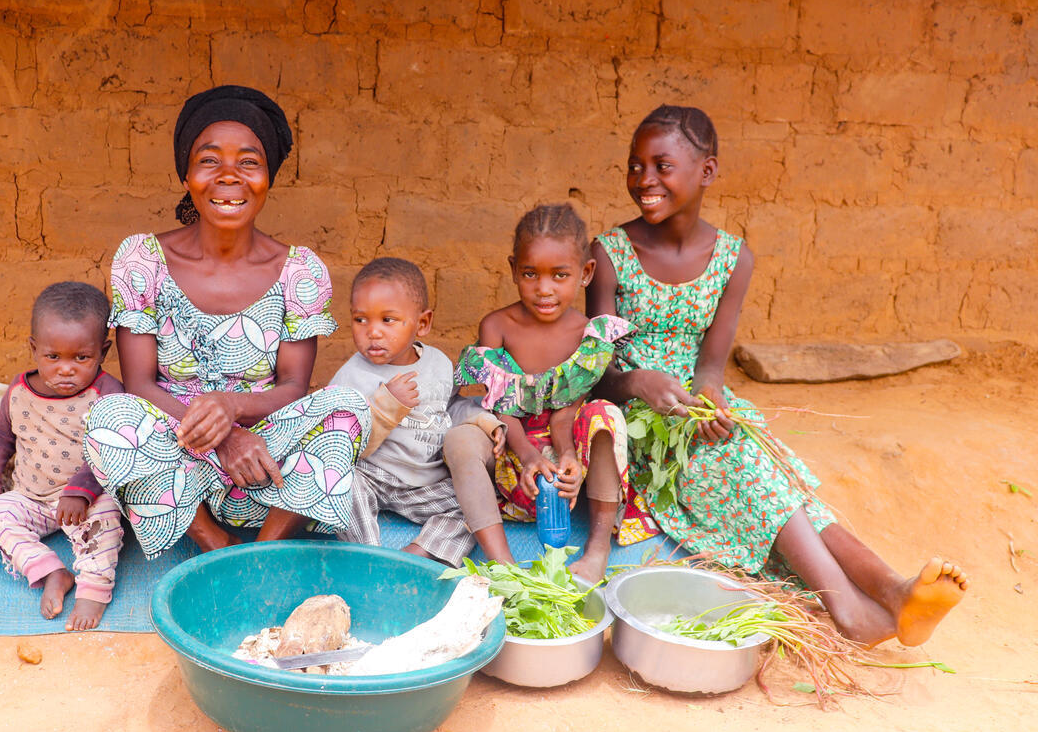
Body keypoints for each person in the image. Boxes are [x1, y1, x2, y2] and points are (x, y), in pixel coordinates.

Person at [589, 104, 968, 646]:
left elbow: (712, 365)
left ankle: (889, 590)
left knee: (774, 465)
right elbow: (593, 376)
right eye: (634, 166)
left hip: (699, 410)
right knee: (741, 460)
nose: (643, 180)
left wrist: (711, 399)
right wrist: (638, 383)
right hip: (638, 421)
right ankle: (858, 609)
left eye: (661, 166)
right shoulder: (610, 253)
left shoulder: (732, 259)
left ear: (707, 171)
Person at [82, 85, 370, 558]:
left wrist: (234, 410)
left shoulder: (300, 270)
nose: (229, 176)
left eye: (249, 162)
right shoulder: (142, 260)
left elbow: (294, 388)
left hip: (265, 465)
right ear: (189, 175)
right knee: (108, 417)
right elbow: (139, 383)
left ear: (267, 178)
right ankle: (213, 545)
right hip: (173, 464)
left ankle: (262, 549)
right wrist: (223, 438)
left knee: (346, 407)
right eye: (210, 160)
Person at [452, 203, 658, 582]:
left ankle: (597, 550)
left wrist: (567, 455)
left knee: (606, 415)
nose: (544, 289)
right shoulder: (497, 326)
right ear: (513, 268)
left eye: (560, 275)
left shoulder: (587, 335)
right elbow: (501, 408)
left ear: (585, 274)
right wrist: (529, 457)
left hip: (565, 479)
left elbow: (568, 409)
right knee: (460, 439)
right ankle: (502, 563)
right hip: (510, 464)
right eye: (530, 274)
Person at [0, 282, 124, 631]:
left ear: (103, 351)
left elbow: (115, 448)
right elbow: (1, 436)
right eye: (53, 357)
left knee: (107, 520)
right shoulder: (19, 392)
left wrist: (81, 489)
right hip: (32, 498)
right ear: (34, 349)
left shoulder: (108, 393)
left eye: (81, 358)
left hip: (85, 500)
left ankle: (94, 589)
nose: (65, 369)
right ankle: (51, 570)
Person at [329, 257, 505, 566]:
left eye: (388, 320)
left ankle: (422, 552)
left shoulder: (436, 364)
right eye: (360, 320)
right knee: (341, 482)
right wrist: (386, 407)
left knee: (476, 504)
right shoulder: (351, 376)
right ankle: (369, 557)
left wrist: (485, 421)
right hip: (372, 474)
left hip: (423, 482)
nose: (373, 332)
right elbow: (339, 446)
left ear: (422, 323)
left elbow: (448, 407)